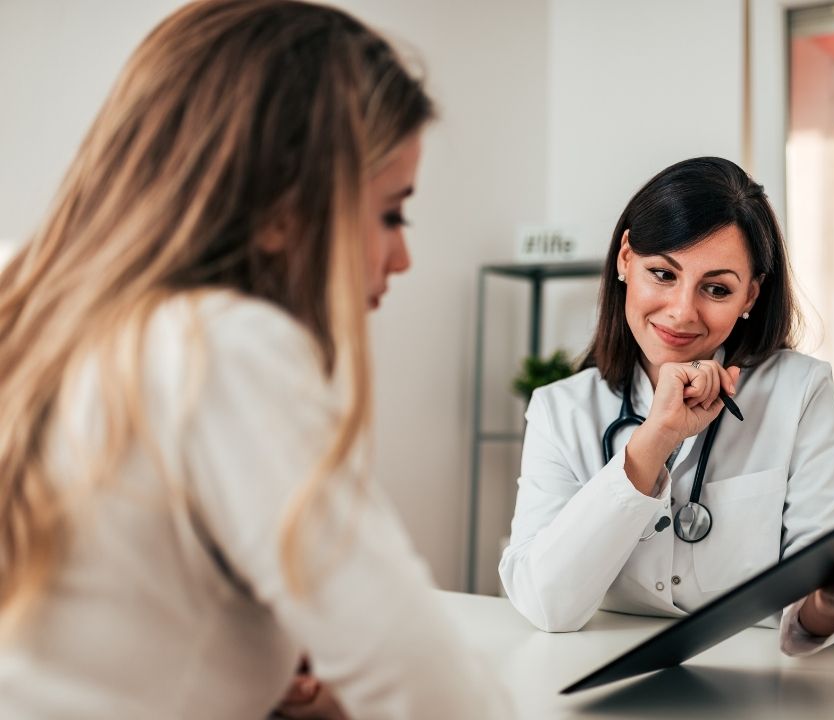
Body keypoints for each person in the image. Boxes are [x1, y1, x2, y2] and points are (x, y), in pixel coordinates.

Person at [0, 2, 502, 718]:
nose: (403, 256)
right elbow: (431, 688)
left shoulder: (27, 306)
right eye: (391, 213)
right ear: (282, 211)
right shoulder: (219, 348)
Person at [499, 156, 834, 654]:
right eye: (662, 273)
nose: (682, 312)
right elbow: (546, 605)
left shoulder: (799, 391)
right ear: (624, 260)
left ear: (751, 294)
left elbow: (814, 594)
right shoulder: (561, 410)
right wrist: (653, 440)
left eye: (717, 288)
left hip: (761, 683)